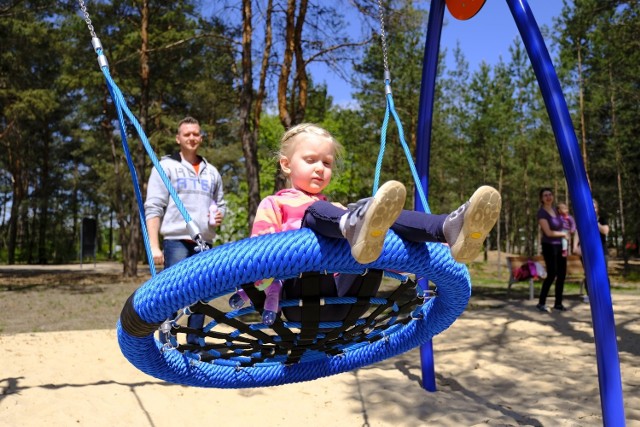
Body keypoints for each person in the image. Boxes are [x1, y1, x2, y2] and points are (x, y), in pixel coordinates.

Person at [228, 123, 501, 325]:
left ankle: (446, 229)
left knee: (374, 218)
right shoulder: (275, 204)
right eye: (310, 160)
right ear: (286, 164)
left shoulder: (335, 211)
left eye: (327, 162)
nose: (320, 168)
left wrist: (421, 263)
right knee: (319, 214)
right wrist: (259, 291)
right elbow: (258, 258)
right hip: (301, 300)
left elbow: (384, 252)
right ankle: (355, 223)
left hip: (350, 300)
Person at [144, 116, 227, 343]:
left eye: (196, 134)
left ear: (201, 137)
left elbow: (220, 205)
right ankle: (167, 342)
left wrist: (219, 215)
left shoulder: (212, 172)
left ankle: (194, 344)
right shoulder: (166, 166)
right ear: (178, 138)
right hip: (177, 240)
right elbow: (153, 206)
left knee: (201, 295)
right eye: (187, 134)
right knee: (173, 294)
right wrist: (154, 246)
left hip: (204, 242)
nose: (192, 137)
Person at [536, 188, 570, 312]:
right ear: (541, 199)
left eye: (550, 194)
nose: (548, 197)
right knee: (552, 274)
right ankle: (541, 302)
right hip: (549, 246)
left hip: (561, 246)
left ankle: (558, 303)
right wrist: (563, 234)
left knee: (561, 274)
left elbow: (566, 222)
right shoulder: (542, 213)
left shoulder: (557, 211)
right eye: (545, 195)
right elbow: (548, 233)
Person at [573, 198, 610, 303]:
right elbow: (577, 232)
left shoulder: (602, 219)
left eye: (594, 206)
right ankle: (590, 295)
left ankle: (605, 295)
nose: (592, 208)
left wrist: (594, 221)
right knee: (589, 274)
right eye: (590, 206)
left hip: (602, 251)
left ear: (597, 209)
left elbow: (605, 231)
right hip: (587, 251)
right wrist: (575, 246)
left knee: (603, 273)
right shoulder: (582, 219)